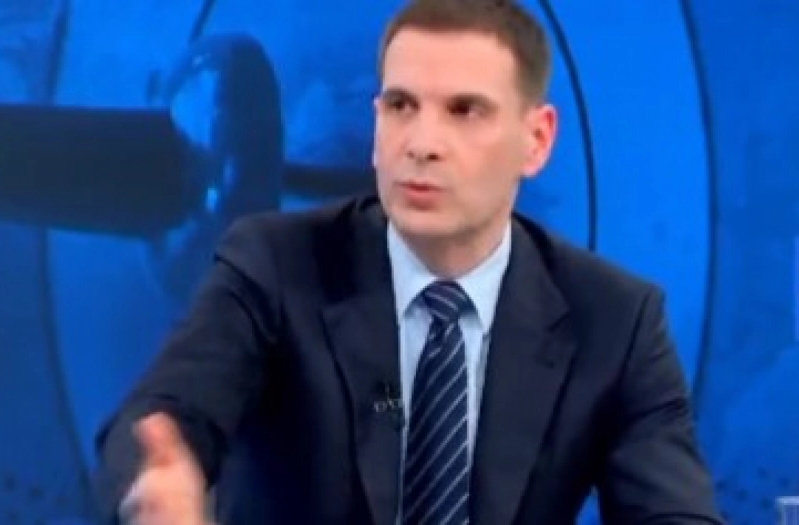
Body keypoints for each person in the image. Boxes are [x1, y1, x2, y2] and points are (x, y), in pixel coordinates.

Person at [94, 0, 724, 523]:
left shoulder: (615, 320)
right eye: (400, 106)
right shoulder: (274, 266)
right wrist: (162, 479)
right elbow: (159, 419)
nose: (421, 144)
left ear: (537, 140)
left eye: (464, 111)